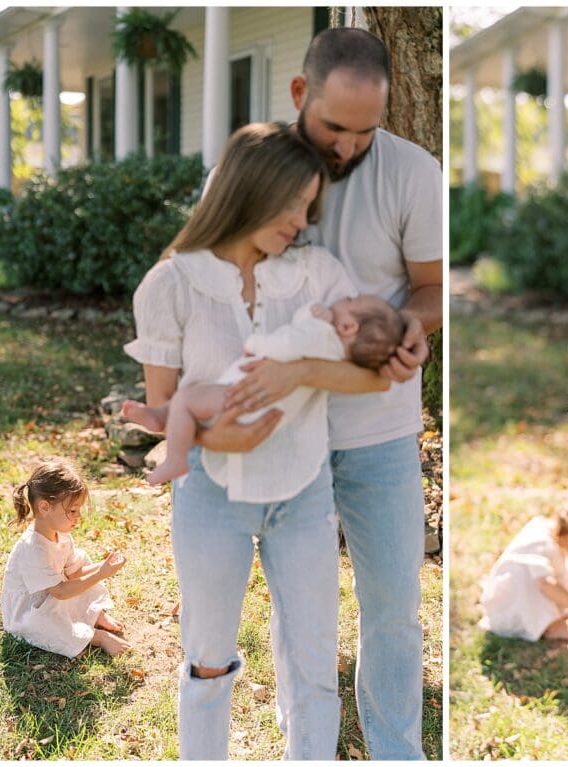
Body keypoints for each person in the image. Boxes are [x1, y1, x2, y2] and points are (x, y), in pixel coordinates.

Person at [197, 28, 442, 759]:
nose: (349, 146)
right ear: (300, 93)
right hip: (280, 425)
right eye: (336, 127)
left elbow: (431, 287)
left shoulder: (413, 171)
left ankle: (397, 749)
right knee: (300, 604)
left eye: (366, 130)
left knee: (393, 602)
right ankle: (303, 738)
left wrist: (411, 326)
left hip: (379, 427)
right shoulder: (247, 168)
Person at [125, 122, 388, 760]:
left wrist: (298, 372)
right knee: (208, 660)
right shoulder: (171, 284)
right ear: (249, 189)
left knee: (315, 663)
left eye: (308, 207)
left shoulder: (317, 274)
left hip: (303, 493)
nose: (301, 221)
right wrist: (220, 437)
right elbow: (163, 408)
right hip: (209, 496)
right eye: (291, 204)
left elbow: (372, 374)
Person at [122, 294, 403, 485]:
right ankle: (162, 416)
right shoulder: (337, 356)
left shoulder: (322, 333)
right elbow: (300, 335)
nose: (345, 297)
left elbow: (288, 341)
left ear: (348, 325)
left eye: (351, 300)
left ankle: (174, 455)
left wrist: (256, 343)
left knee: (185, 399)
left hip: (245, 393)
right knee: (191, 405)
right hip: (262, 405)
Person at [1, 458, 129, 658]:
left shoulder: (61, 535)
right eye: (72, 510)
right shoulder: (33, 549)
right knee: (43, 624)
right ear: (45, 507)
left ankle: (95, 615)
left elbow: (74, 573)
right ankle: (97, 637)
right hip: (30, 610)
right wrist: (100, 574)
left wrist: (102, 567)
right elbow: (61, 592)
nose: (78, 516)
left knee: (83, 573)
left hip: (55, 594)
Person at [479, 494, 568, 642]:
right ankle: (551, 626)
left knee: (560, 574)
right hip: (509, 608)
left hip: (526, 593)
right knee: (540, 580)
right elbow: (545, 584)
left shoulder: (553, 536)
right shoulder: (541, 543)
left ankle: (564, 609)